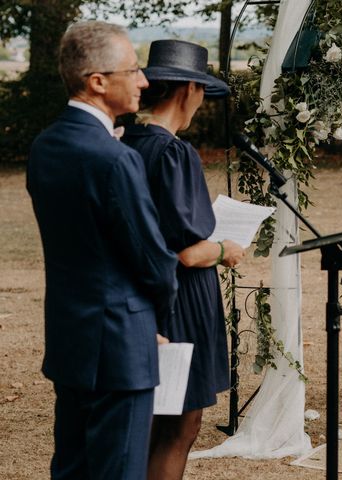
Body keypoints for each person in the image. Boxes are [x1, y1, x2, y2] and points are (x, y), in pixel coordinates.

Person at [27, 21, 178, 480]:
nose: (144, 81)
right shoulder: (115, 159)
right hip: (122, 347)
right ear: (97, 81)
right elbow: (154, 260)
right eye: (133, 70)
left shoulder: (44, 147)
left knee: (72, 468)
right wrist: (154, 317)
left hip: (72, 339)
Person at [122, 39, 246, 479]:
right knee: (180, 424)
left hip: (141, 297)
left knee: (148, 423)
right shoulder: (175, 153)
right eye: (200, 93)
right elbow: (190, 252)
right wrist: (225, 249)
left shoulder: (128, 143)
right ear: (188, 89)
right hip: (180, 301)